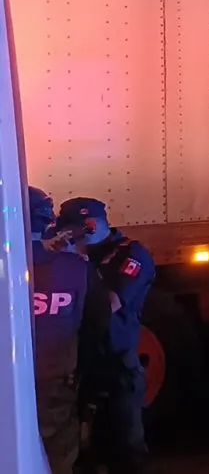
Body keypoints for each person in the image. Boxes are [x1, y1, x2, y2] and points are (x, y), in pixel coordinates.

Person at [56, 197, 155, 474]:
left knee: (126, 450)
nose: (68, 238)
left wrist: (76, 263)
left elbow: (110, 303)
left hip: (117, 366)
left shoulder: (130, 254)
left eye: (72, 231)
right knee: (86, 451)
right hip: (84, 365)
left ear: (89, 226)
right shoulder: (82, 256)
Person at [29, 187, 111, 474]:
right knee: (58, 454)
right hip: (57, 379)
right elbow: (96, 324)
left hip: (10, 380)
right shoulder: (77, 268)